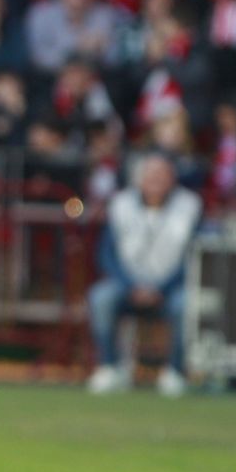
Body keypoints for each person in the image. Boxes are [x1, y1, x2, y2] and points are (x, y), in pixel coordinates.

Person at [86, 152, 202, 397]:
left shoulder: (190, 206)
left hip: (170, 288)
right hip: (127, 286)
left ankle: (175, 372)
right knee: (101, 297)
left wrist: (162, 289)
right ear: (139, 179)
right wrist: (130, 286)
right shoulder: (120, 205)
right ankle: (109, 367)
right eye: (150, 175)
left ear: (172, 179)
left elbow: (194, 258)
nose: (155, 181)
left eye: (162, 175)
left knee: (187, 303)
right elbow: (106, 254)